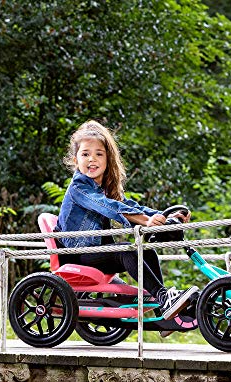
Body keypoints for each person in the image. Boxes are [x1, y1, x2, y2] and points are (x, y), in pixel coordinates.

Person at [55, 120, 198, 320]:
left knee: (146, 251)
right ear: (75, 159)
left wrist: (164, 216)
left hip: (96, 252)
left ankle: (162, 306)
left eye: (99, 154)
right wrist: (145, 221)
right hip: (78, 254)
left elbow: (132, 206)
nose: (92, 159)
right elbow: (107, 206)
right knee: (128, 251)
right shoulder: (79, 187)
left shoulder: (104, 187)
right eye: (85, 154)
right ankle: (163, 298)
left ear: (107, 158)